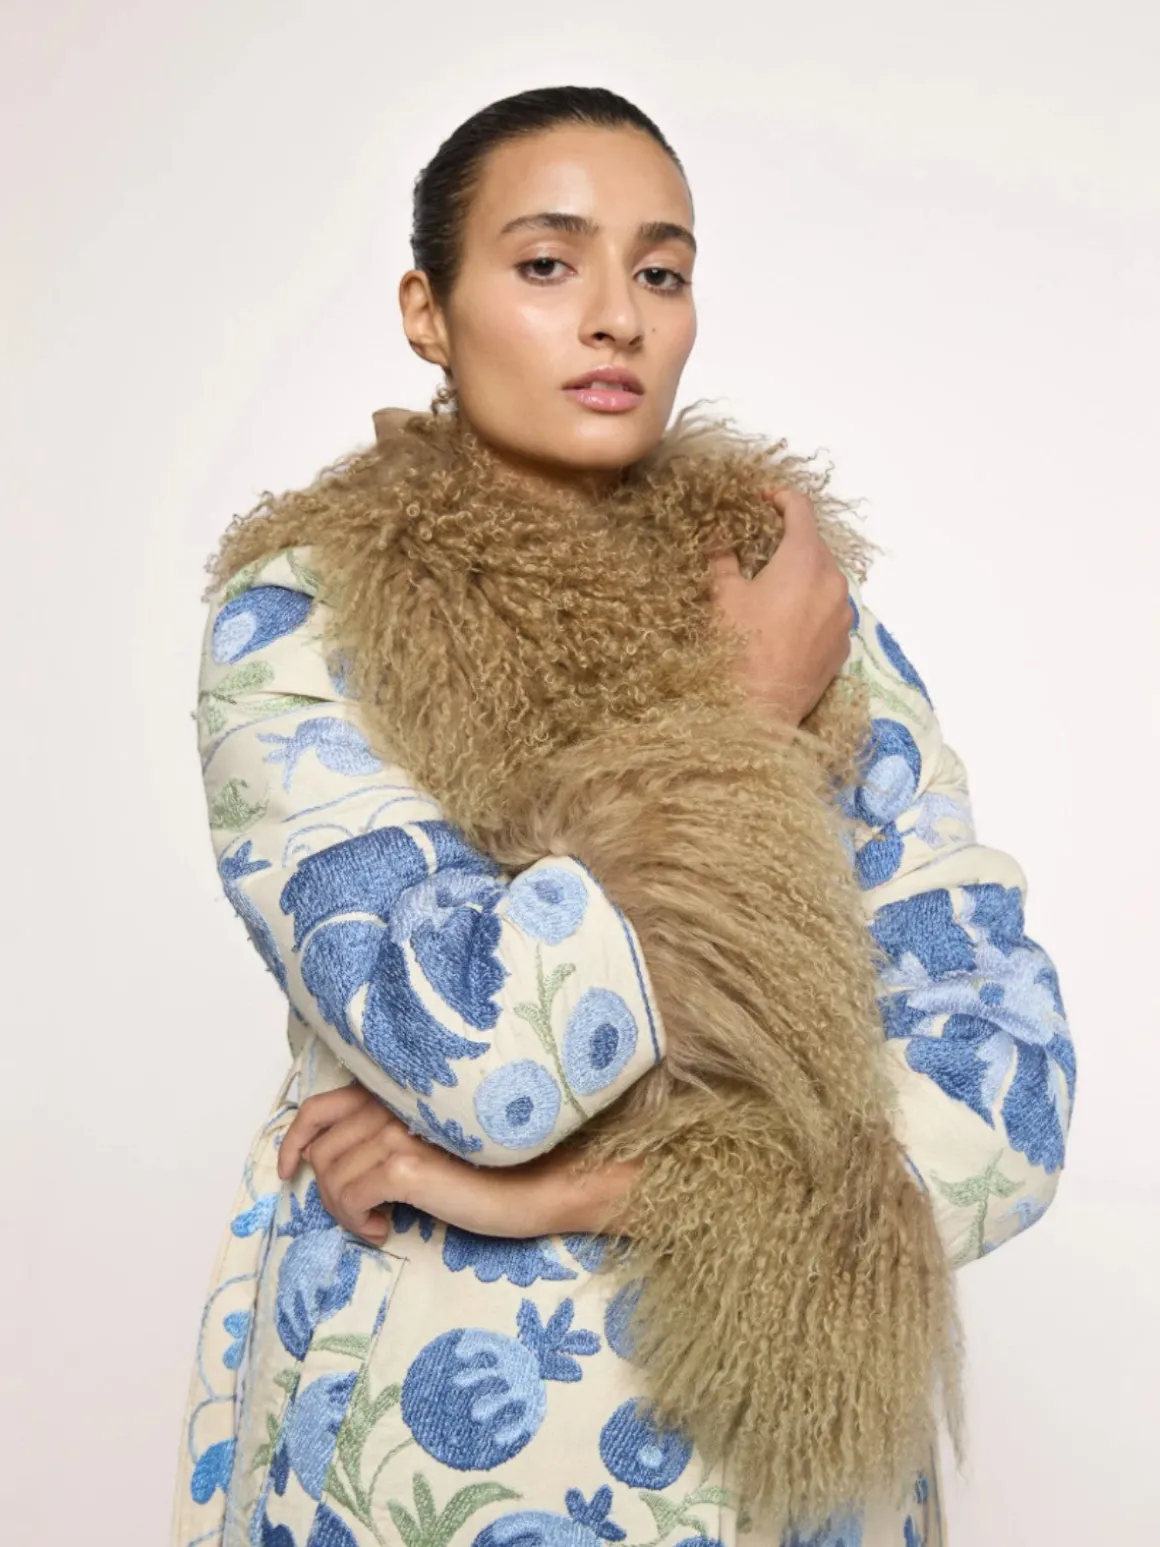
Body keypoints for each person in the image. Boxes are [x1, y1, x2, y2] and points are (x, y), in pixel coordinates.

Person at [171, 86, 1075, 1547]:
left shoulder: (791, 602)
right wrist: (742, 725)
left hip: (795, 1479)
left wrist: (561, 1194)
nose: (616, 318)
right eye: (547, 263)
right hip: (437, 1439)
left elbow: (1008, 1104)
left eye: (661, 271)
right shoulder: (311, 618)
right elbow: (485, 1062)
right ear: (427, 309)